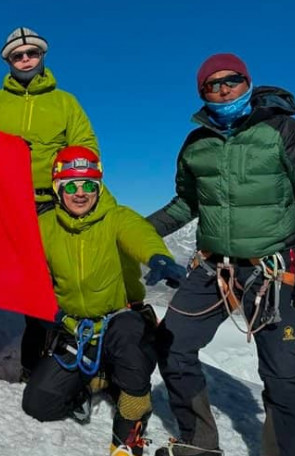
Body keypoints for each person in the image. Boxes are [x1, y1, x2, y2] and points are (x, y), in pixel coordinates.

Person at [147, 53, 295, 456]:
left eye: (230, 80)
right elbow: (186, 203)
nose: (221, 90)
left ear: (247, 83)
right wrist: (134, 233)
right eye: (210, 85)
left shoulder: (284, 130)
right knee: (171, 343)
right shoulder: (196, 143)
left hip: (273, 269)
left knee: (284, 373)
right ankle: (198, 443)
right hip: (214, 266)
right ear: (202, 92)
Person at [22, 146, 185, 456]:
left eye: (89, 185)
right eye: (71, 185)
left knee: (130, 343)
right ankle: (96, 380)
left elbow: (138, 234)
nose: (80, 193)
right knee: (39, 403)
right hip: (75, 328)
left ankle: (129, 430)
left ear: (99, 187)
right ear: (58, 188)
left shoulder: (117, 217)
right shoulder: (45, 228)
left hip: (118, 321)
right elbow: (29, 269)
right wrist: (44, 305)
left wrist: (158, 257)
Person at [0, 26, 101, 386]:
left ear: (42, 57)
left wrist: (72, 192)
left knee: (44, 287)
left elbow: (84, 148)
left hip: (47, 206)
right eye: (18, 55)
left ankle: (35, 363)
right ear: (8, 61)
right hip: (0, 206)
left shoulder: (65, 103)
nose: (25, 59)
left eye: (32, 53)